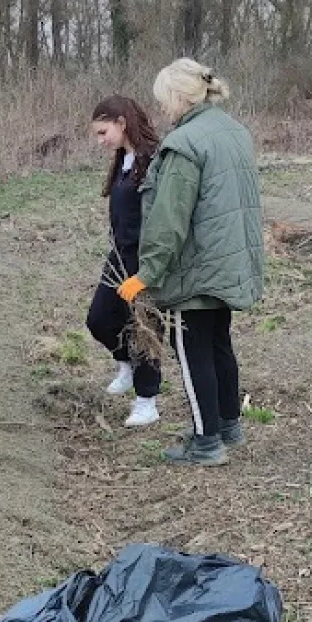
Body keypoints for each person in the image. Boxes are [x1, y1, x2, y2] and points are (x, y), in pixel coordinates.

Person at [118, 59, 264, 467]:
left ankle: (206, 443)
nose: (162, 108)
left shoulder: (184, 144)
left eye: (163, 100)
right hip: (228, 262)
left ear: (180, 97)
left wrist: (147, 274)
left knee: (192, 351)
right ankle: (229, 425)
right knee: (219, 343)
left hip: (196, 269)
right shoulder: (233, 131)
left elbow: (168, 219)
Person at [85, 96, 161, 427]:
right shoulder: (124, 160)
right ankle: (126, 365)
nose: (101, 141)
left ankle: (147, 402)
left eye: (104, 132)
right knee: (99, 319)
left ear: (121, 122)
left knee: (143, 328)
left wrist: (150, 266)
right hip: (118, 256)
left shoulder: (153, 160)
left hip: (143, 259)